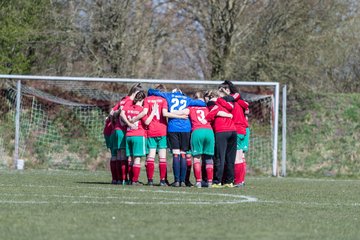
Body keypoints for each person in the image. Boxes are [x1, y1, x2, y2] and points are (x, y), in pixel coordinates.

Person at [148, 87, 206, 187]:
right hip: (185, 128)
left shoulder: (169, 96)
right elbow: (202, 104)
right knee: (183, 154)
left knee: (175, 154)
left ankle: (177, 181)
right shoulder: (187, 99)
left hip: (173, 127)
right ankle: (183, 181)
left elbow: (150, 91)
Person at [178, 92, 215, 188]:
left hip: (197, 132)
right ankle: (210, 182)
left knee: (196, 158)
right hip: (209, 132)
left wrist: (170, 113)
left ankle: (198, 182)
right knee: (209, 159)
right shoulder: (207, 108)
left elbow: (182, 112)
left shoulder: (191, 108)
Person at [110, 83, 143, 185]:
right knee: (123, 156)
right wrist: (128, 123)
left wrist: (113, 123)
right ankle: (124, 179)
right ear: (136, 92)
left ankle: (117, 179)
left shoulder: (123, 100)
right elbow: (122, 113)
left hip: (116, 130)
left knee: (117, 155)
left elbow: (112, 112)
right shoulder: (129, 101)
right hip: (124, 131)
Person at [220, 81, 250, 187]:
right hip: (243, 129)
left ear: (227, 90)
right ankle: (240, 180)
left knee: (236, 157)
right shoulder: (239, 99)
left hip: (236, 129)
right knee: (241, 156)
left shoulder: (230, 100)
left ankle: (238, 181)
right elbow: (247, 107)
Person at [205, 88, 237, 188]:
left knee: (219, 157)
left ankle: (217, 181)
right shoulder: (227, 104)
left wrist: (210, 117)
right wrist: (228, 115)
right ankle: (229, 181)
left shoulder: (213, 104)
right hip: (233, 131)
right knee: (230, 158)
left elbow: (212, 115)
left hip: (221, 131)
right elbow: (231, 109)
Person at [141, 84, 170, 186]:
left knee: (151, 157)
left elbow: (144, 113)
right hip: (162, 130)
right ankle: (162, 181)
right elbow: (165, 113)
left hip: (151, 131)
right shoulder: (164, 100)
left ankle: (150, 180)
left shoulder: (147, 99)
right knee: (162, 157)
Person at [120, 90, 147, 185]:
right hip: (138, 135)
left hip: (128, 135)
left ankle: (130, 180)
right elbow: (146, 122)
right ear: (143, 99)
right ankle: (135, 180)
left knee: (130, 159)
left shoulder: (129, 106)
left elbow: (121, 113)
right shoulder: (141, 109)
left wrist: (128, 124)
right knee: (137, 160)